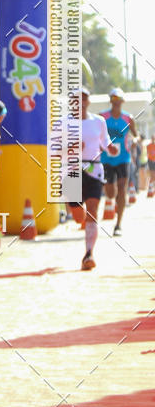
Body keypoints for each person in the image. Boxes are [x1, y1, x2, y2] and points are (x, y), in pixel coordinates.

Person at [69, 87, 117, 270]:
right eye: (77, 99)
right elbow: (55, 149)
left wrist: (111, 148)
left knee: (93, 210)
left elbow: (105, 142)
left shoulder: (99, 121)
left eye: (84, 99)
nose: (81, 102)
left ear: (89, 101)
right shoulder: (64, 123)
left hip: (94, 168)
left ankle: (89, 253)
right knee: (78, 216)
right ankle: (75, 210)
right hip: (72, 170)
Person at [101, 87, 137, 236]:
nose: (116, 102)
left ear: (122, 101)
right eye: (113, 99)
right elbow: (97, 134)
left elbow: (136, 135)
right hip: (106, 158)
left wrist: (135, 140)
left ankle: (118, 224)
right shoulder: (102, 117)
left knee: (122, 188)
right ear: (110, 100)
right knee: (110, 192)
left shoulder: (128, 118)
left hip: (123, 158)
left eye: (118, 99)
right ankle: (113, 197)